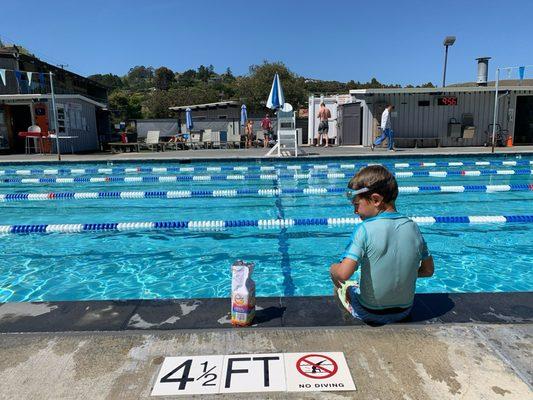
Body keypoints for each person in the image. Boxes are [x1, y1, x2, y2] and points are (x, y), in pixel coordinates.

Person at [330, 165, 434, 324]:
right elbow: (428, 271)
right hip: (405, 311)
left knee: (340, 286)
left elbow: (344, 274)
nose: (355, 211)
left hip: (369, 313)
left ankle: (348, 321)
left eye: (356, 204)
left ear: (376, 200)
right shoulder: (414, 227)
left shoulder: (364, 229)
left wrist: (333, 269)